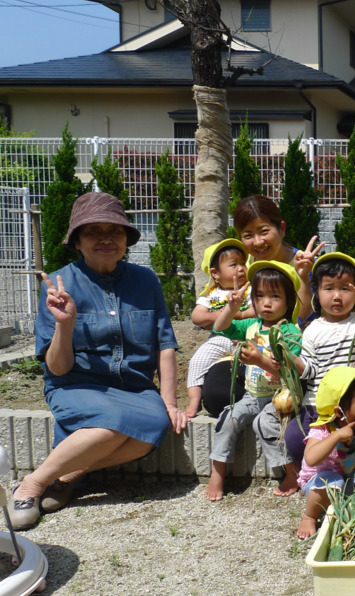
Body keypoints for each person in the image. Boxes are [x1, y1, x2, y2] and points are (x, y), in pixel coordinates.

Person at [10, 192, 188, 530]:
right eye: (93, 231)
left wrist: (169, 403)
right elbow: (58, 368)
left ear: (126, 240)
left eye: (116, 231)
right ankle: (32, 484)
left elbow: (165, 345)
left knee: (156, 426)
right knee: (117, 419)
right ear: (77, 241)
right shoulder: (60, 285)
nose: (106, 238)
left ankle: (70, 474)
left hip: (134, 389)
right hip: (76, 385)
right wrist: (65, 324)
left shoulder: (145, 281)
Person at [254, 251, 355, 470]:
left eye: (345, 288)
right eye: (329, 288)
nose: (337, 296)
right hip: (318, 404)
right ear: (316, 293)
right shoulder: (312, 330)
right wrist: (290, 359)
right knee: (293, 437)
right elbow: (309, 370)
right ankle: (314, 473)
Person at [200, 195, 324, 416]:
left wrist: (303, 278)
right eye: (248, 235)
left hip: (292, 357)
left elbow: (305, 321)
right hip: (248, 354)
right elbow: (210, 312)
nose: (257, 242)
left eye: (264, 231)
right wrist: (234, 315)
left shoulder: (305, 262)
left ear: (281, 229)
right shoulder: (240, 269)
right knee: (216, 396)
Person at [206, 260, 302, 501]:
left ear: (289, 301)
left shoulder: (291, 332)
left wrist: (260, 361)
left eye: (275, 296)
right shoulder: (251, 325)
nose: (266, 303)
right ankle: (217, 473)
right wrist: (231, 307)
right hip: (252, 395)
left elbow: (289, 373)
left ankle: (291, 472)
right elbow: (220, 327)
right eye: (259, 296)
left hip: (280, 398)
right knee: (228, 417)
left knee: (264, 423)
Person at [297, 364, 355, 539]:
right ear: (339, 412)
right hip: (318, 484)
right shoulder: (322, 431)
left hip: (348, 483)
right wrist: (336, 436)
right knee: (331, 480)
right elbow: (311, 459)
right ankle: (310, 516)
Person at [185, 239, 252, 417]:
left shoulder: (250, 289)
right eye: (233, 265)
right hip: (219, 338)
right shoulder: (211, 293)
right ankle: (194, 401)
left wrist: (237, 313)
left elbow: (257, 310)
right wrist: (218, 315)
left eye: (243, 263)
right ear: (215, 273)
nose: (241, 268)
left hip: (248, 337)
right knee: (197, 362)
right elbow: (197, 316)